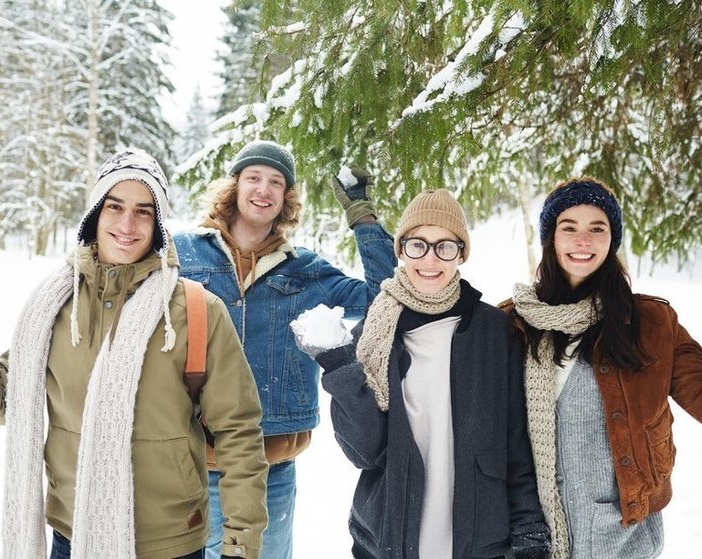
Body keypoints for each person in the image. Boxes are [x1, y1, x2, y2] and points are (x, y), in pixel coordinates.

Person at [0, 148, 268, 559]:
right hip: (72, 536)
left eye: (143, 211)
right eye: (114, 206)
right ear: (94, 216)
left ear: (158, 225)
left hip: (170, 543)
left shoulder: (197, 311)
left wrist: (241, 544)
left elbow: (239, 432)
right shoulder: (53, 308)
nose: (126, 224)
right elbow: (2, 401)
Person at [292, 189, 550, 559]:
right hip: (390, 536)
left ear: (462, 253)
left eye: (445, 246)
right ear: (401, 250)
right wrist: (338, 365)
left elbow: (514, 439)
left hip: (477, 540)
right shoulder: (375, 331)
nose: (430, 259)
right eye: (418, 245)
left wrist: (527, 523)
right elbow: (365, 452)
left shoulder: (493, 330)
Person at [173, 139, 397, 559]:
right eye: (254, 178)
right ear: (234, 187)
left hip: (270, 462)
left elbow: (382, 298)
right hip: (196, 458)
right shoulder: (184, 254)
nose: (264, 189)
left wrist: (362, 216)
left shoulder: (304, 269)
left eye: (276, 182)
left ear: (286, 198)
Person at [501, 177, 702, 559]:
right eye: (569, 228)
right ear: (551, 239)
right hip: (531, 539)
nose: (583, 240)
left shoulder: (651, 322)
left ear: (612, 240)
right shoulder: (513, 324)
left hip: (624, 537)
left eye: (598, 228)